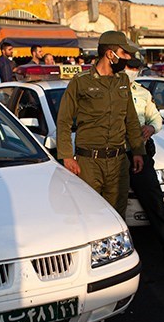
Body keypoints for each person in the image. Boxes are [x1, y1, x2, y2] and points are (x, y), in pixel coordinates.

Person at [56, 30, 144, 219]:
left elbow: (131, 119)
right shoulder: (81, 83)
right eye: (124, 53)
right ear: (110, 54)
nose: (128, 58)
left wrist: (138, 151)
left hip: (118, 161)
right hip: (89, 163)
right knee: (89, 214)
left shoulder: (123, 82)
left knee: (117, 216)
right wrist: (66, 156)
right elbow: (63, 120)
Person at [125, 58, 164, 271]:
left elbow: (155, 118)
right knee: (112, 208)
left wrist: (151, 129)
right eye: (129, 67)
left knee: (155, 203)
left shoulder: (142, 93)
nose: (132, 71)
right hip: (114, 155)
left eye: (135, 68)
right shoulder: (109, 91)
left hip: (139, 153)